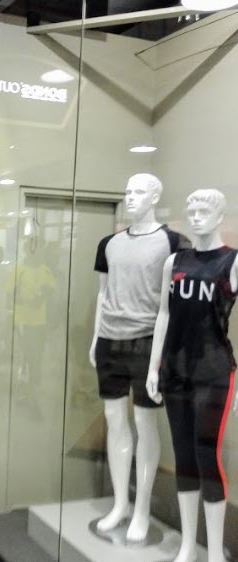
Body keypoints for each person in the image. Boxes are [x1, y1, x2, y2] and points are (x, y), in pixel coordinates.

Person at [89, 173, 190, 541]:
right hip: (109, 340)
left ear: (155, 197)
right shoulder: (109, 244)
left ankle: (142, 509)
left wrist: (168, 352)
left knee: (146, 424)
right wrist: (95, 337)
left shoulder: (174, 242)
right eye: (127, 191)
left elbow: (176, 303)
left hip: (148, 342)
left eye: (138, 192)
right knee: (114, 420)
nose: (130, 197)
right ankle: (120, 504)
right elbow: (103, 294)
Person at [147, 189, 237, 562]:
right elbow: (164, 314)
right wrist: (153, 366)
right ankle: (188, 545)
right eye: (192, 210)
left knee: (206, 454)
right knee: (183, 454)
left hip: (213, 372)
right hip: (175, 370)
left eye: (204, 210)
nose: (196, 216)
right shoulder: (175, 261)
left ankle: (214, 551)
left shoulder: (232, 261)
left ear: (219, 216)